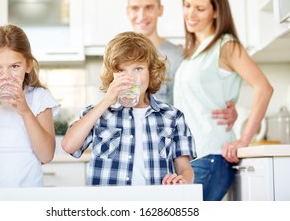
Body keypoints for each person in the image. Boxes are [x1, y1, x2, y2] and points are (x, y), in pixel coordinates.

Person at [174, 0, 274, 200]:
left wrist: (243, 139)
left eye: (200, 8)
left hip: (211, 156)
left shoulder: (226, 45)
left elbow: (264, 88)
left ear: (216, 11)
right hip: (192, 158)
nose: (190, 14)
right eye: (187, 6)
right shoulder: (194, 53)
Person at [62, 31, 196, 186]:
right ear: (112, 75)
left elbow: (185, 169)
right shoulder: (98, 113)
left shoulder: (172, 117)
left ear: (151, 71)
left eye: (138, 68)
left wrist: (183, 180)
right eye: (121, 70)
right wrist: (106, 101)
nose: (130, 78)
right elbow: (69, 146)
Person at [127, 0, 238, 129]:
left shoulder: (182, 56)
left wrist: (230, 110)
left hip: (170, 146)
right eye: (135, 8)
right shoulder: (117, 58)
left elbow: (202, 98)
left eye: (149, 7)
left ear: (160, 10)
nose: (142, 15)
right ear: (128, 11)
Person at [0, 24, 59, 187]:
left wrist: (25, 111)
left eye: (14, 66)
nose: (5, 75)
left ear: (28, 65)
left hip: (28, 194)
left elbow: (46, 155)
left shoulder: (39, 98)